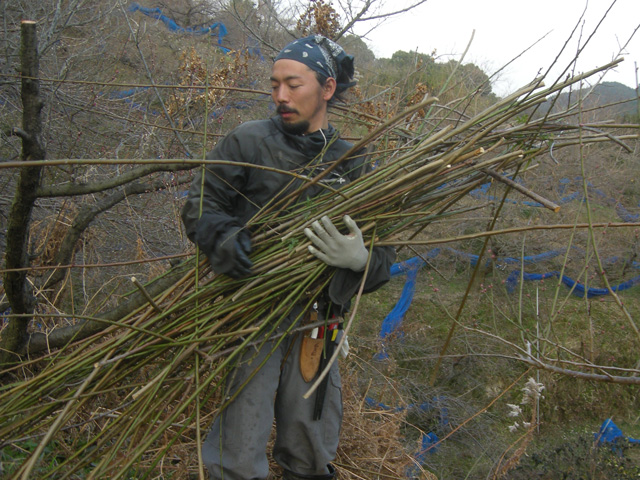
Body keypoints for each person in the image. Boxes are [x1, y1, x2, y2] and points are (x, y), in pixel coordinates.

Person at [181, 34, 395, 480]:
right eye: (274, 84)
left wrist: (359, 260)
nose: (280, 96)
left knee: (310, 443)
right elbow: (201, 204)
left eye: (293, 84)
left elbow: (384, 262)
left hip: (319, 321)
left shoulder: (354, 163)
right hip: (253, 312)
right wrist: (223, 237)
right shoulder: (248, 142)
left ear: (327, 89)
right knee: (240, 439)